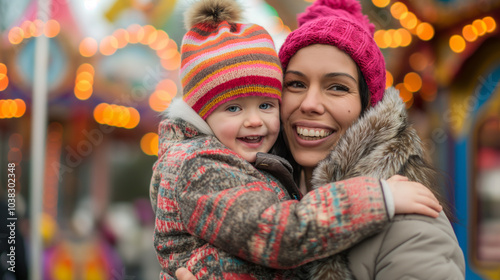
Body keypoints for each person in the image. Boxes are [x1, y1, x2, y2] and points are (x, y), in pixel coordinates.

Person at [150, 0, 443, 279]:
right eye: (296, 84)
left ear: (369, 105)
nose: (310, 103)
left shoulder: (408, 220)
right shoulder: (205, 165)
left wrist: (381, 198)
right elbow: (277, 232)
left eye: (337, 87)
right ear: (202, 113)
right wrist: (374, 198)